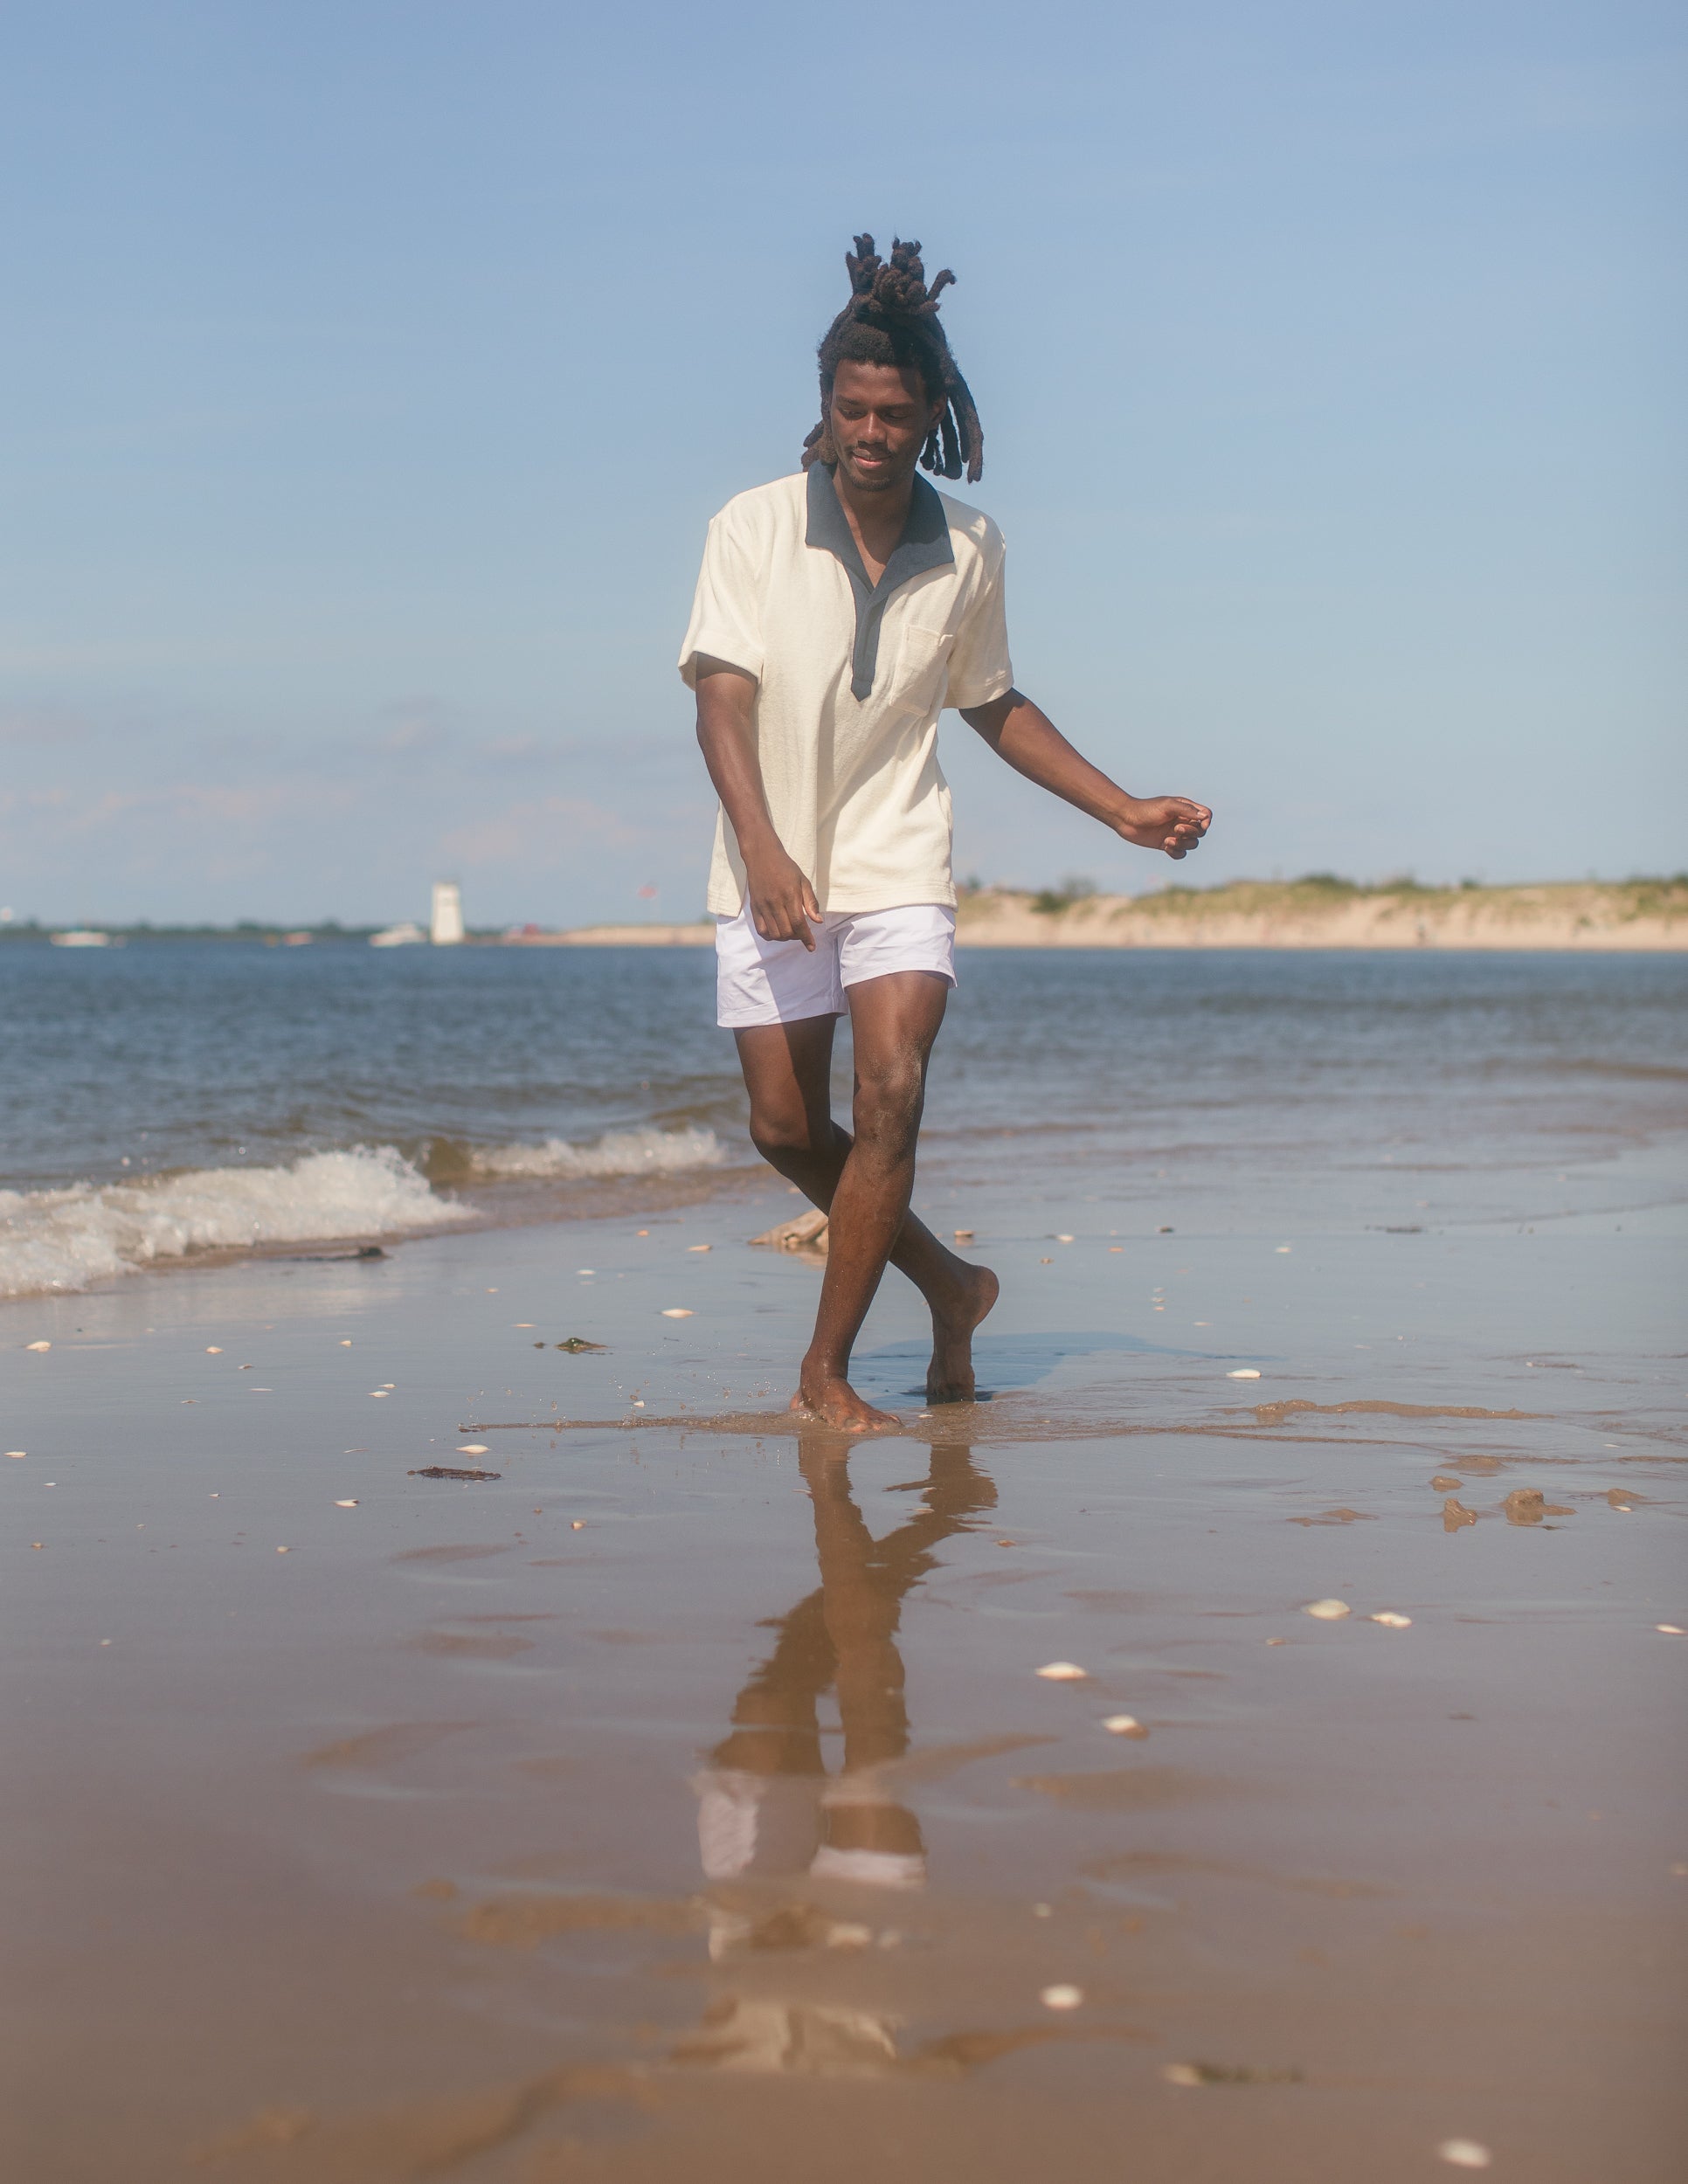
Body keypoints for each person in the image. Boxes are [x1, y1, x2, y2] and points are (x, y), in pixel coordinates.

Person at [681, 235, 1210, 1432]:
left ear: (931, 415)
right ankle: (954, 1287)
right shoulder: (751, 528)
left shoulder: (971, 548)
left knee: (894, 1096)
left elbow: (992, 702)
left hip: (896, 857)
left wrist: (1121, 807)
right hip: (771, 858)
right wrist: (762, 850)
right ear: (825, 408)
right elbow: (719, 700)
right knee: (779, 1123)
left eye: (895, 413)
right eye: (852, 409)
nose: (871, 432)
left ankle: (826, 1372)